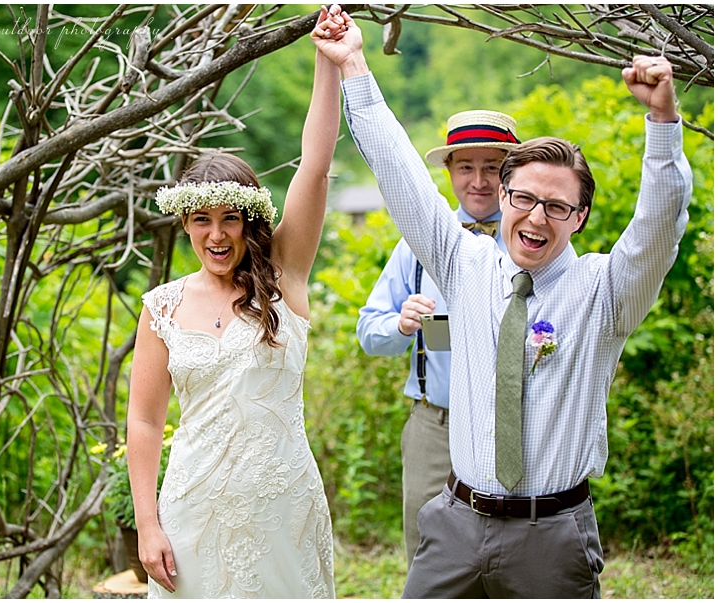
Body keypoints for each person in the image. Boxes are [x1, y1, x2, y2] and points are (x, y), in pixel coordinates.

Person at [315, 6, 691, 598]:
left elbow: (659, 225)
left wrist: (663, 120)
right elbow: (401, 174)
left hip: (552, 536)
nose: (536, 217)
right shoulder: (463, 264)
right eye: (523, 198)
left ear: (581, 217)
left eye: (557, 206)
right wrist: (354, 65)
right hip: (456, 525)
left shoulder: (607, 290)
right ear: (505, 197)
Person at [126, 7, 347, 598]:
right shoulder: (163, 308)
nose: (217, 235)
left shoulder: (284, 277)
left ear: (252, 222)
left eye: (230, 218)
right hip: (192, 513)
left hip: (284, 513)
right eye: (202, 220)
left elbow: (317, 168)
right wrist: (147, 525)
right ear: (186, 225)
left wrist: (327, 62)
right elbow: (145, 421)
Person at [357, 110, 519, 569]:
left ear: (510, 172)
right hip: (435, 423)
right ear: (448, 172)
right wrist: (401, 326)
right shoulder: (418, 241)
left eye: (492, 166)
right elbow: (370, 332)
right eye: (466, 167)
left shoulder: (531, 238)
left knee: (506, 551)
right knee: (429, 550)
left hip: (508, 421)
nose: (480, 181)